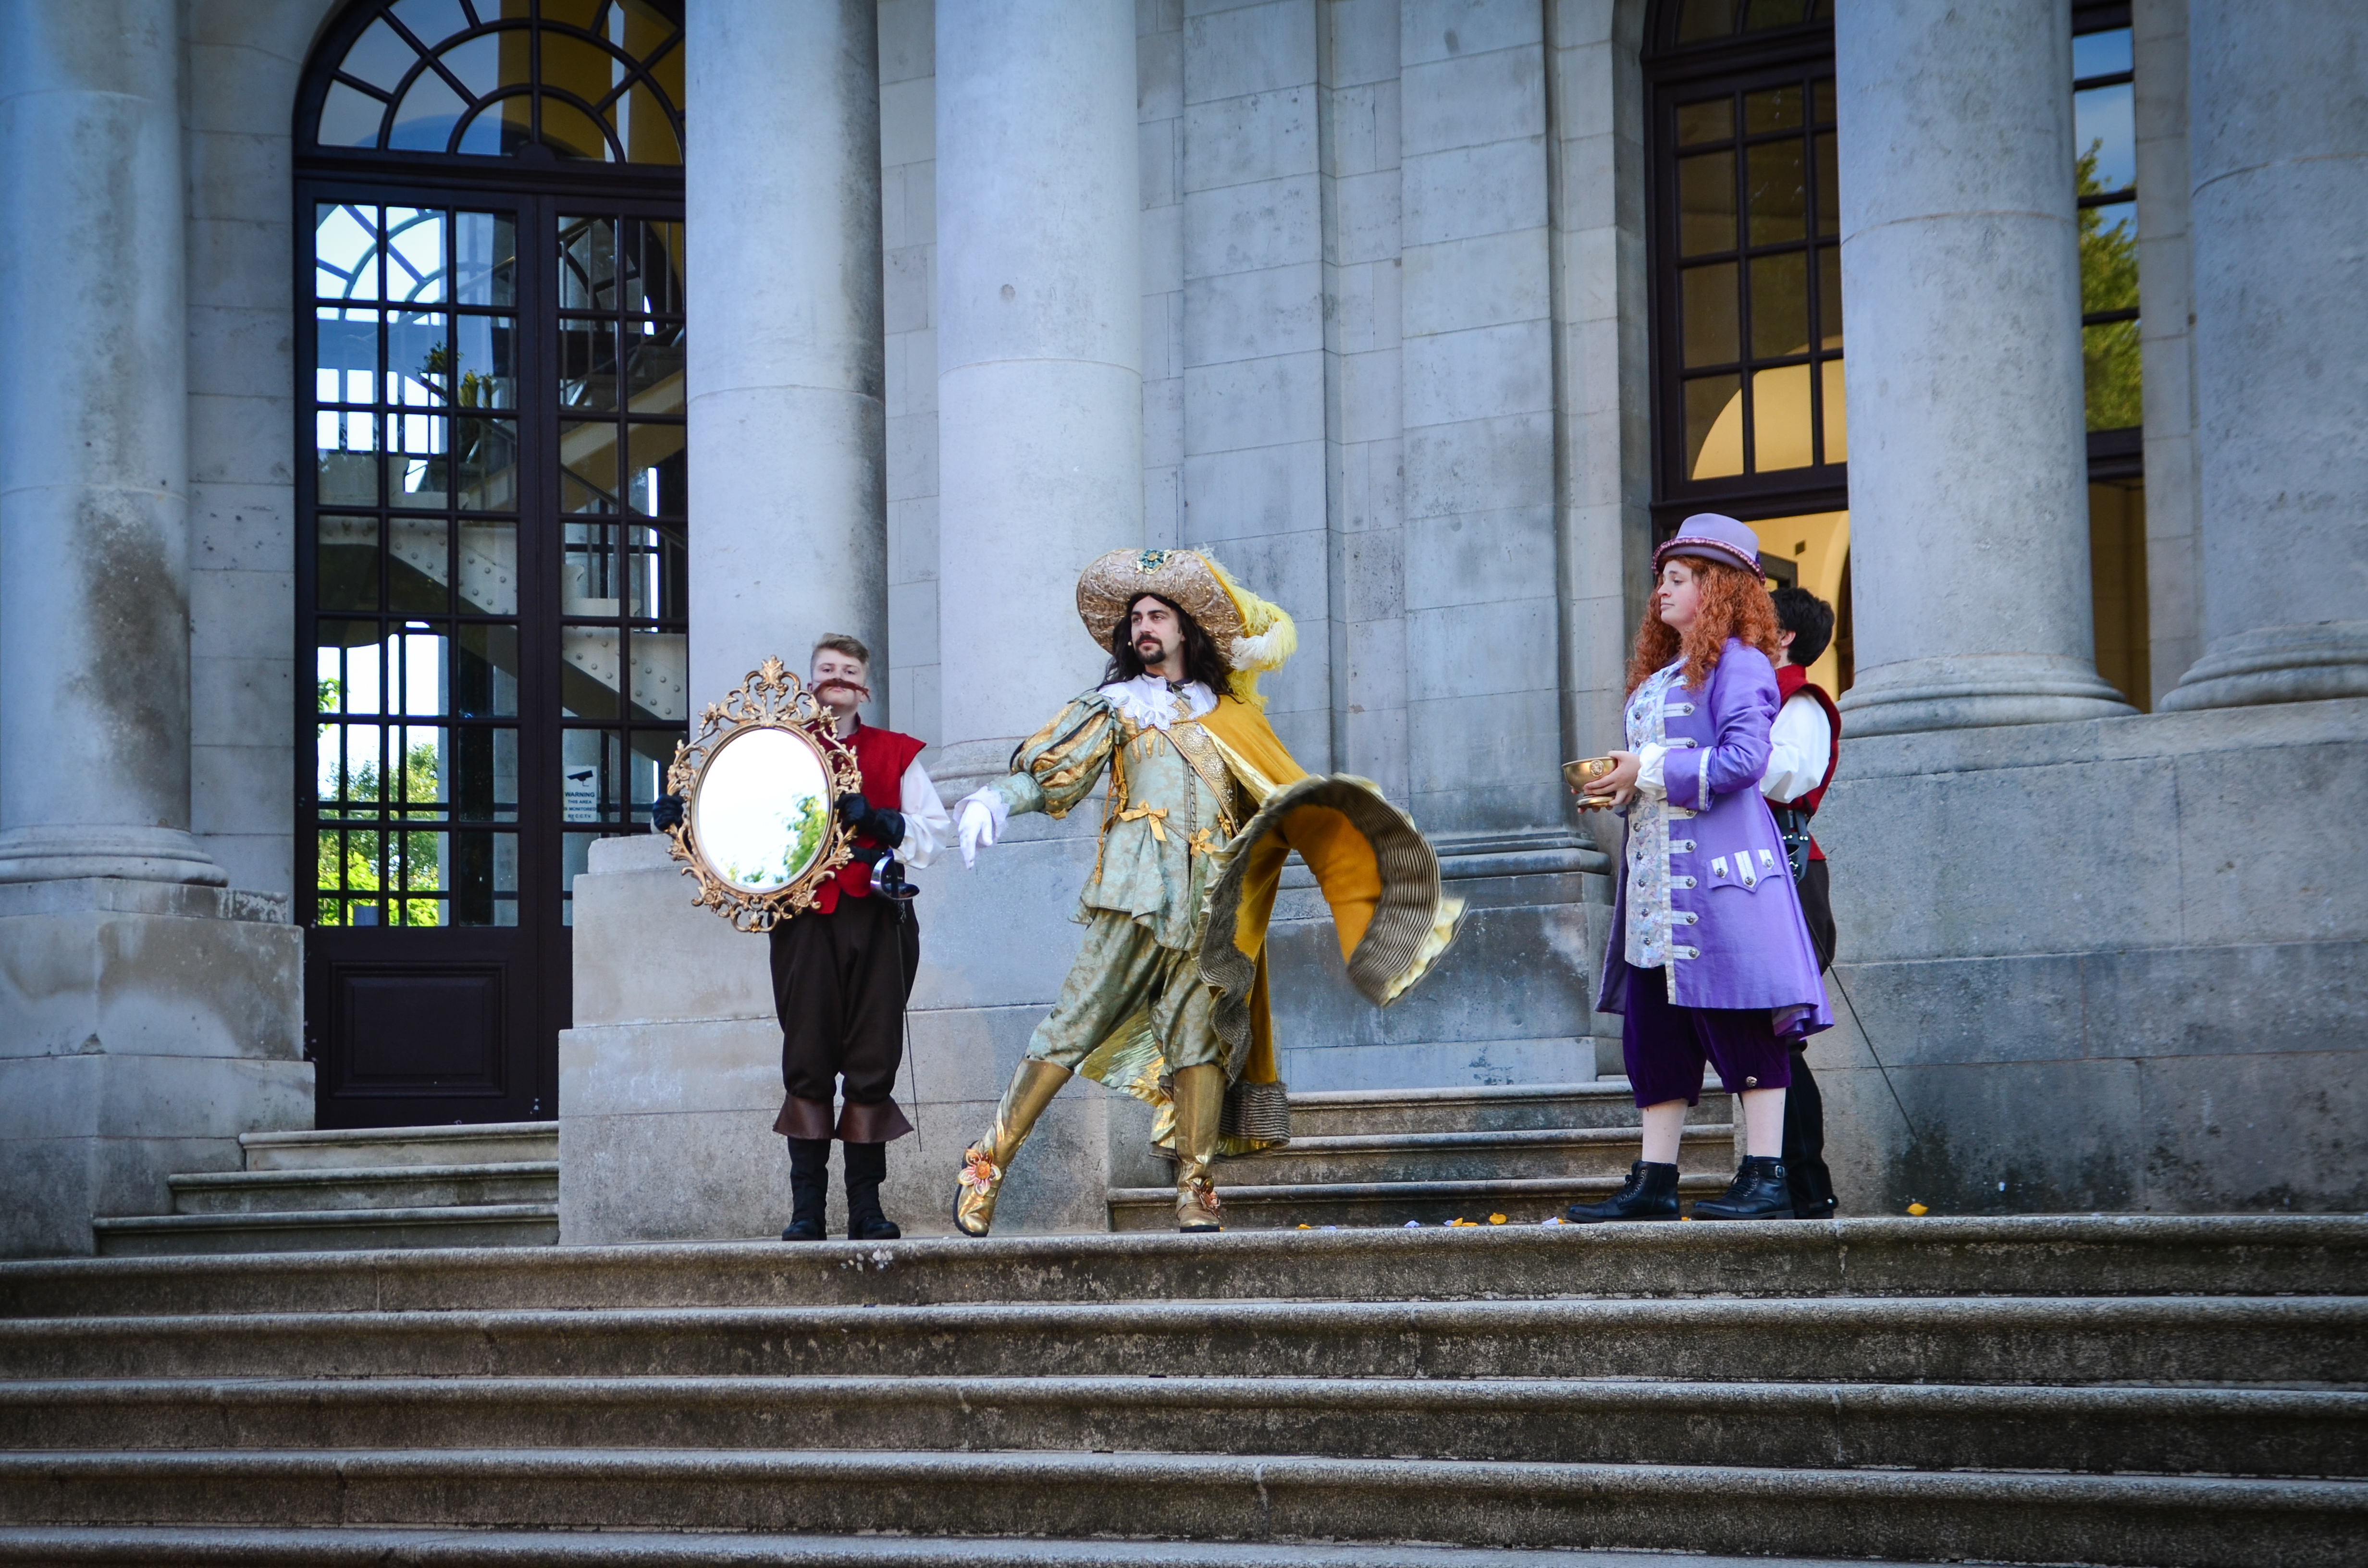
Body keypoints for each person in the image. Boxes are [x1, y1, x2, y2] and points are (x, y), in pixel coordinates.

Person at [949, 548, 1463, 1234]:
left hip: (1212, 909)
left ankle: (1196, 1186)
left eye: (1158, 615)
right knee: (1068, 1029)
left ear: (1186, 629)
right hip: (1133, 898)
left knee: (1199, 1043)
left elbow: (1284, 797)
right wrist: (996, 798)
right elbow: (1053, 774)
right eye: (1136, 618)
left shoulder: (1230, 715)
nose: (1144, 628)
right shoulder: (1116, 706)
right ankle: (987, 1164)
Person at [1566, 514, 1832, 1223]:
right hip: (1656, 885)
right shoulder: (1660, 679)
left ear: (1716, 588)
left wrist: (1647, 767)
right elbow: (1664, 775)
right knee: (1653, 1033)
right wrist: (1625, 787)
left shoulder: (1742, 663)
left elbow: (1747, 763)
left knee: (1742, 1021)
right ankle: (1654, 1180)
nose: (1662, 592)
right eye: (1663, 580)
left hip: (1725, 884)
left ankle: (1767, 1176)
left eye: (1679, 580)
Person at [653, 634, 950, 1241]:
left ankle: (866, 1210)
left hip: (877, 919)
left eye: (848, 671)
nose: (836, 678)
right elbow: (738, 822)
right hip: (802, 921)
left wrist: (882, 820)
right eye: (826, 670)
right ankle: (806, 1211)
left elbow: (934, 835)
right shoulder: (774, 753)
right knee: (807, 1058)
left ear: (864, 687)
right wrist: (685, 819)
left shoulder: (895, 754)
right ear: (809, 682)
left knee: (873, 1059)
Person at [1762, 586, 1842, 1219]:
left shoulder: (1802, 701)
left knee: (1780, 1039)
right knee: (1757, 1040)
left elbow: (1786, 776)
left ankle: (1808, 1189)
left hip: (1787, 878)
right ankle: (1780, 1181)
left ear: (1785, 636)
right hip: (1755, 878)